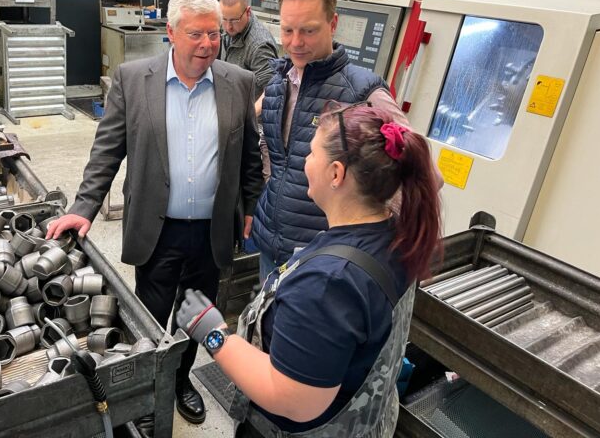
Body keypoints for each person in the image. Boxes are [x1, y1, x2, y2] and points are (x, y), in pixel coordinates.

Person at [46, 0, 264, 426]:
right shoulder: (133, 79)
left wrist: (251, 207)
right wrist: (84, 207)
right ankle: (144, 395)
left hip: (210, 231)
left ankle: (182, 381)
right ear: (170, 33)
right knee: (149, 318)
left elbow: (249, 159)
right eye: (196, 34)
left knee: (197, 315)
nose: (207, 44)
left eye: (215, 35)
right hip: (156, 230)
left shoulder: (237, 84)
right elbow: (106, 151)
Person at [177, 103, 442, 437]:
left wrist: (215, 335)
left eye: (312, 153)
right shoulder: (394, 234)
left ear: (336, 173)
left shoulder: (329, 283)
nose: (305, 161)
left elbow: (293, 400)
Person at [252, 0, 411, 281]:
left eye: (308, 31)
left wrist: (379, 243)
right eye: (287, 30)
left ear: (333, 24)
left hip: (326, 260)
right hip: (271, 247)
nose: (295, 43)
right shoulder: (278, 84)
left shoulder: (361, 92)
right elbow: (274, 161)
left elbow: (421, 173)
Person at [220, 0, 278, 99]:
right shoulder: (228, 28)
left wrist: (250, 115)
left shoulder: (259, 45)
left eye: (234, 20)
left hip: (250, 113)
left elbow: (271, 92)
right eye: (224, 19)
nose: (228, 27)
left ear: (248, 12)